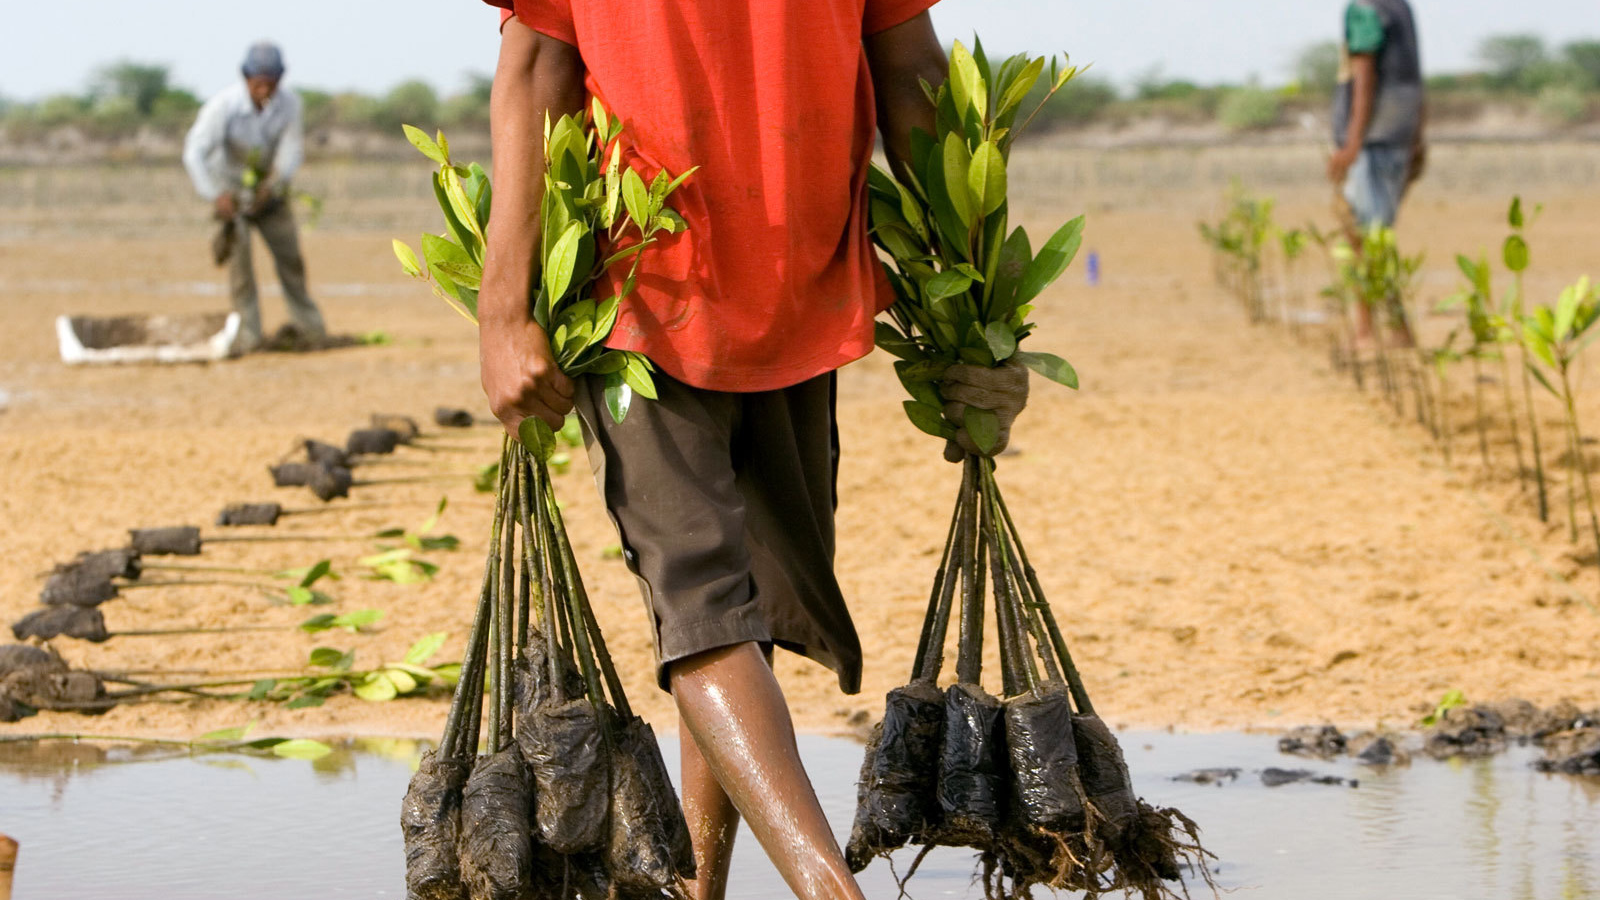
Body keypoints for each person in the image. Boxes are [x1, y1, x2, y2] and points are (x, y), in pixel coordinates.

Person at [478, 2, 1028, 898]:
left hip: (799, 283)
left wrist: (975, 305)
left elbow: (910, 71)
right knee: (702, 603)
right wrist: (503, 311)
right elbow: (538, 63)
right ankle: (829, 889)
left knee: (741, 616)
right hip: (641, 283)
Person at [183, 42, 325, 354]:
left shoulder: (290, 105)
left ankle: (310, 330)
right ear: (246, 78)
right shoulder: (223, 107)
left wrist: (273, 185)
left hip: (269, 192)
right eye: (258, 83)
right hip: (230, 195)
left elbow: (291, 150)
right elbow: (194, 153)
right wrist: (215, 194)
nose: (264, 90)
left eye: (271, 83)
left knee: (291, 258)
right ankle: (249, 336)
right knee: (241, 267)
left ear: (280, 79)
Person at [1327, 0, 1427, 234]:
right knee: (1379, 229)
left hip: (1372, 140)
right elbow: (1415, 77)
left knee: (1365, 231)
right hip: (1402, 133)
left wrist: (1352, 143)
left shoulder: (1365, 8)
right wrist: (1417, 135)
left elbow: (1365, 74)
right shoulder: (1400, 7)